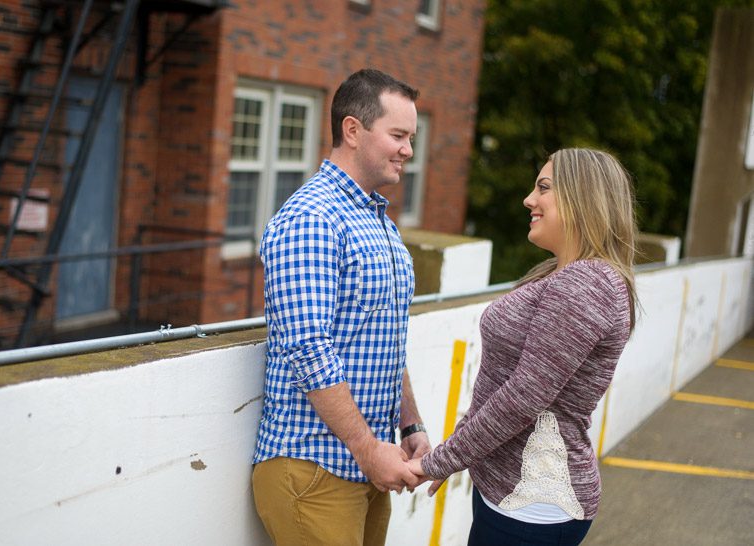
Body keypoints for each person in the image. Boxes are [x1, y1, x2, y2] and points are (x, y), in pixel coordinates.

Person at [409, 148, 638, 546]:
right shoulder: (561, 274)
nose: (528, 199)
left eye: (544, 188)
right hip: (510, 491)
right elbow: (501, 383)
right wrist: (456, 455)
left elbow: (523, 396)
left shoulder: (586, 285)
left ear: (581, 198)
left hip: (534, 502)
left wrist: (440, 460)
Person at [251, 68, 431, 546]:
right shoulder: (312, 219)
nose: (408, 150)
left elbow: (387, 337)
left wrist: (408, 423)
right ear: (352, 130)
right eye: (398, 135)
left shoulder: (378, 221)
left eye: (410, 137)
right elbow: (309, 350)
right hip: (313, 468)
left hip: (366, 467)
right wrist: (369, 449)